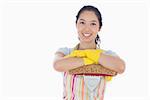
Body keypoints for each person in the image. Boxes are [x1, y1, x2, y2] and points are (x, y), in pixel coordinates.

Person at [53, 5, 125, 100]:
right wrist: (90, 59)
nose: (87, 29)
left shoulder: (107, 55)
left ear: (99, 27)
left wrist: (91, 54)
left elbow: (121, 67)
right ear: (76, 24)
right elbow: (57, 65)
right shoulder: (66, 52)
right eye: (82, 22)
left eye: (93, 24)